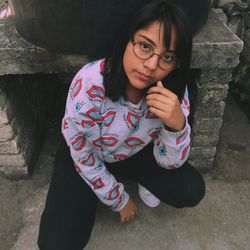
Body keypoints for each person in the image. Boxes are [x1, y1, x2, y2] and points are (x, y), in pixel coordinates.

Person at [38, 1, 205, 249]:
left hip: (133, 150)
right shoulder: (90, 83)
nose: (151, 65)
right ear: (127, 39)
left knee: (191, 189)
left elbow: (171, 163)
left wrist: (176, 126)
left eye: (167, 57)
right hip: (85, 154)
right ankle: (99, 187)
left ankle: (132, 178)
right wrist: (118, 199)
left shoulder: (171, 91)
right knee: (56, 244)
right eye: (145, 46)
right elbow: (83, 156)